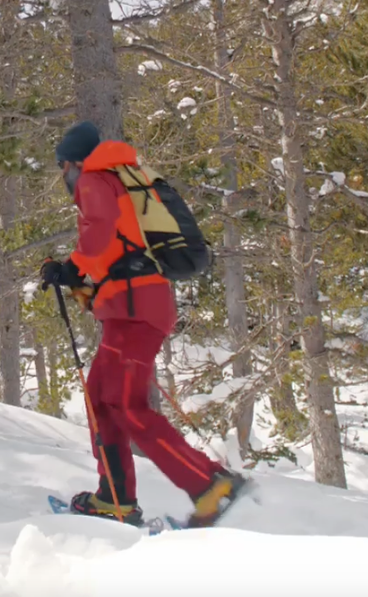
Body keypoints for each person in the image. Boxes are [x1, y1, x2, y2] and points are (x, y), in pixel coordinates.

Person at [40, 120, 248, 528]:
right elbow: (116, 252)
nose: (63, 176)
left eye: (63, 167)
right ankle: (113, 498)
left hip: (135, 311)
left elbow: (100, 234)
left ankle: (209, 483)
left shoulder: (94, 179)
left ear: (74, 162)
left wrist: (71, 267)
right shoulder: (117, 180)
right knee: (102, 400)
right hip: (131, 306)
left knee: (126, 405)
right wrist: (77, 278)